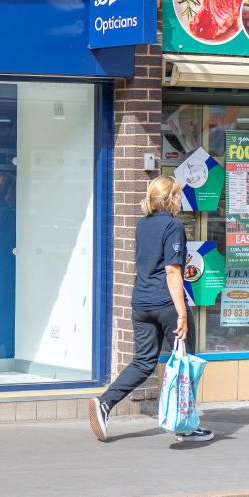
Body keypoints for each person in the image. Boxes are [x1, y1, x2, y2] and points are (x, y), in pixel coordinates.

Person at [89, 176, 213, 443]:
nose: (181, 199)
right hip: (166, 304)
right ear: (169, 199)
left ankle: (105, 402)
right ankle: (186, 425)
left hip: (141, 302)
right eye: (179, 194)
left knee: (143, 362)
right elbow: (171, 271)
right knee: (184, 363)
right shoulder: (173, 226)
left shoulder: (142, 225)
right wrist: (181, 313)